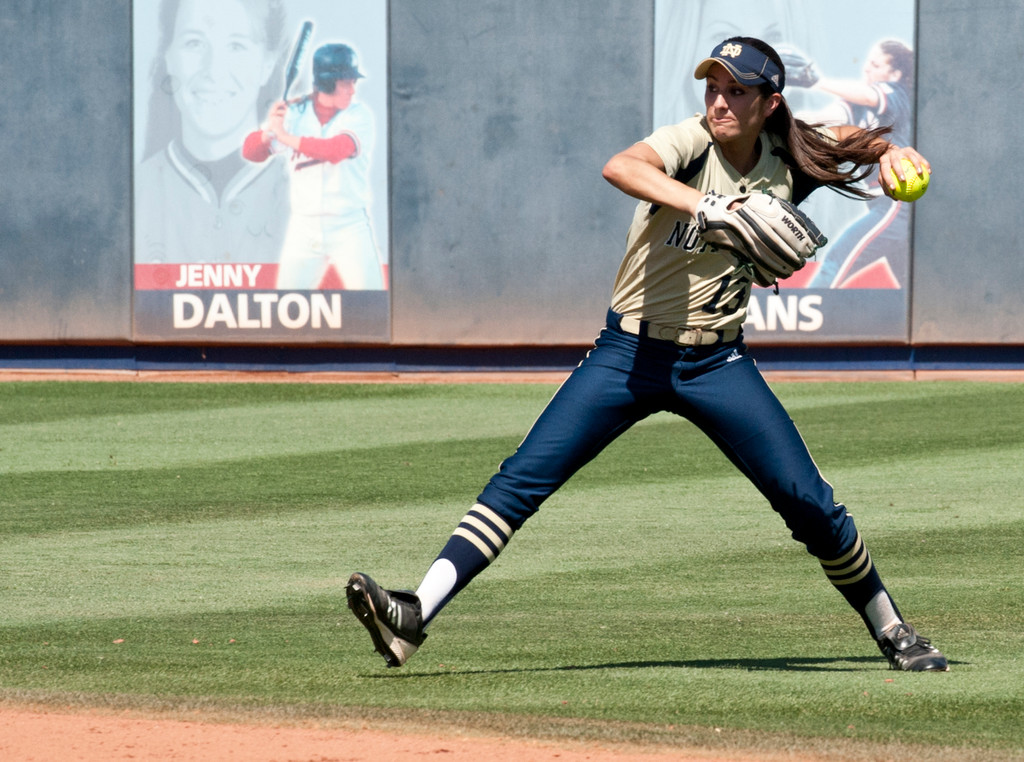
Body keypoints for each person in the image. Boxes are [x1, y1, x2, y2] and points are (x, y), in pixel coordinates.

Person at [347, 37, 947, 673]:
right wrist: (706, 203)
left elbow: (852, 137)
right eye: (712, 86)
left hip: (717, 364)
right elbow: (622, 166)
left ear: (770, 103)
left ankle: (892, 630)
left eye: (736, 90)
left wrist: (892, 148)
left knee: (807, 500)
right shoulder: (690, 143)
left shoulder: (789, 151)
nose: (719, 100)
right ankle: (413, 615)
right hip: (628, 353)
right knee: (522, 479)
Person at [135, 0, 290, 264]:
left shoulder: (312, 190)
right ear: (169, 58)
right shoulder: (134, 192)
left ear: (267, 65)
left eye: (236, 46)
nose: (213, 71)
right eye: (194, 43)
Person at [243, 43, 384, 291]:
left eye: (353, 82)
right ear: (327, 83)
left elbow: (335, 150)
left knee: (371, 301)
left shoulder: (359, 115)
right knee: (286, 306)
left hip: (349, 226)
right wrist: (268, 133)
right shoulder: (295, 113)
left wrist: (284, 136)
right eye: (346, 82)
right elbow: (250, 151)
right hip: (304, 228)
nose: (353, 90)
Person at [782, 40, 916, 288]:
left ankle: (805, 323)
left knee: (835, 261)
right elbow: (819, 119)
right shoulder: (857, 105)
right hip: (884, 205)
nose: (867, 69)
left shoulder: (898, 93)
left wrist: (816, 81)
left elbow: (868, 95)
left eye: (876, 65)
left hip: (896, 205)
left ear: (895, 73)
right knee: (916, 291)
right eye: (868, 62)